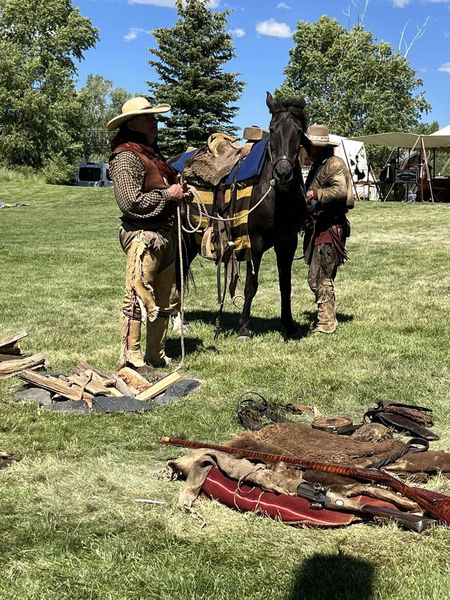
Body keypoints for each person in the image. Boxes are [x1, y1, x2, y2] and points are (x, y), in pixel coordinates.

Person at [107, 96, 190, 369]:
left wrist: (178, 195)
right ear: (132, 123)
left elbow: (159, 193)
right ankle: (130, 357)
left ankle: (156, 354)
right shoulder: (126, 157)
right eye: (149, 118)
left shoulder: (150, 154)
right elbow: (129, 202)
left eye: (155, 118)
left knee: (164, 300)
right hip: (144, 237)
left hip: (163, 236)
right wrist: (168, 194)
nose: (155, 123)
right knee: (137, 297)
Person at [303, 124, 354, 334]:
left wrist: (315, 195)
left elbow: (340, 191)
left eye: (311, 147)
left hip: (330, 226)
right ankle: (325, 318)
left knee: (322, 276)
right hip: (318, 227)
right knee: (314, 277)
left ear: (320, 147)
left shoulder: (334, 164)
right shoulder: (318, 165)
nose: (308, 151)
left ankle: (326, 322)